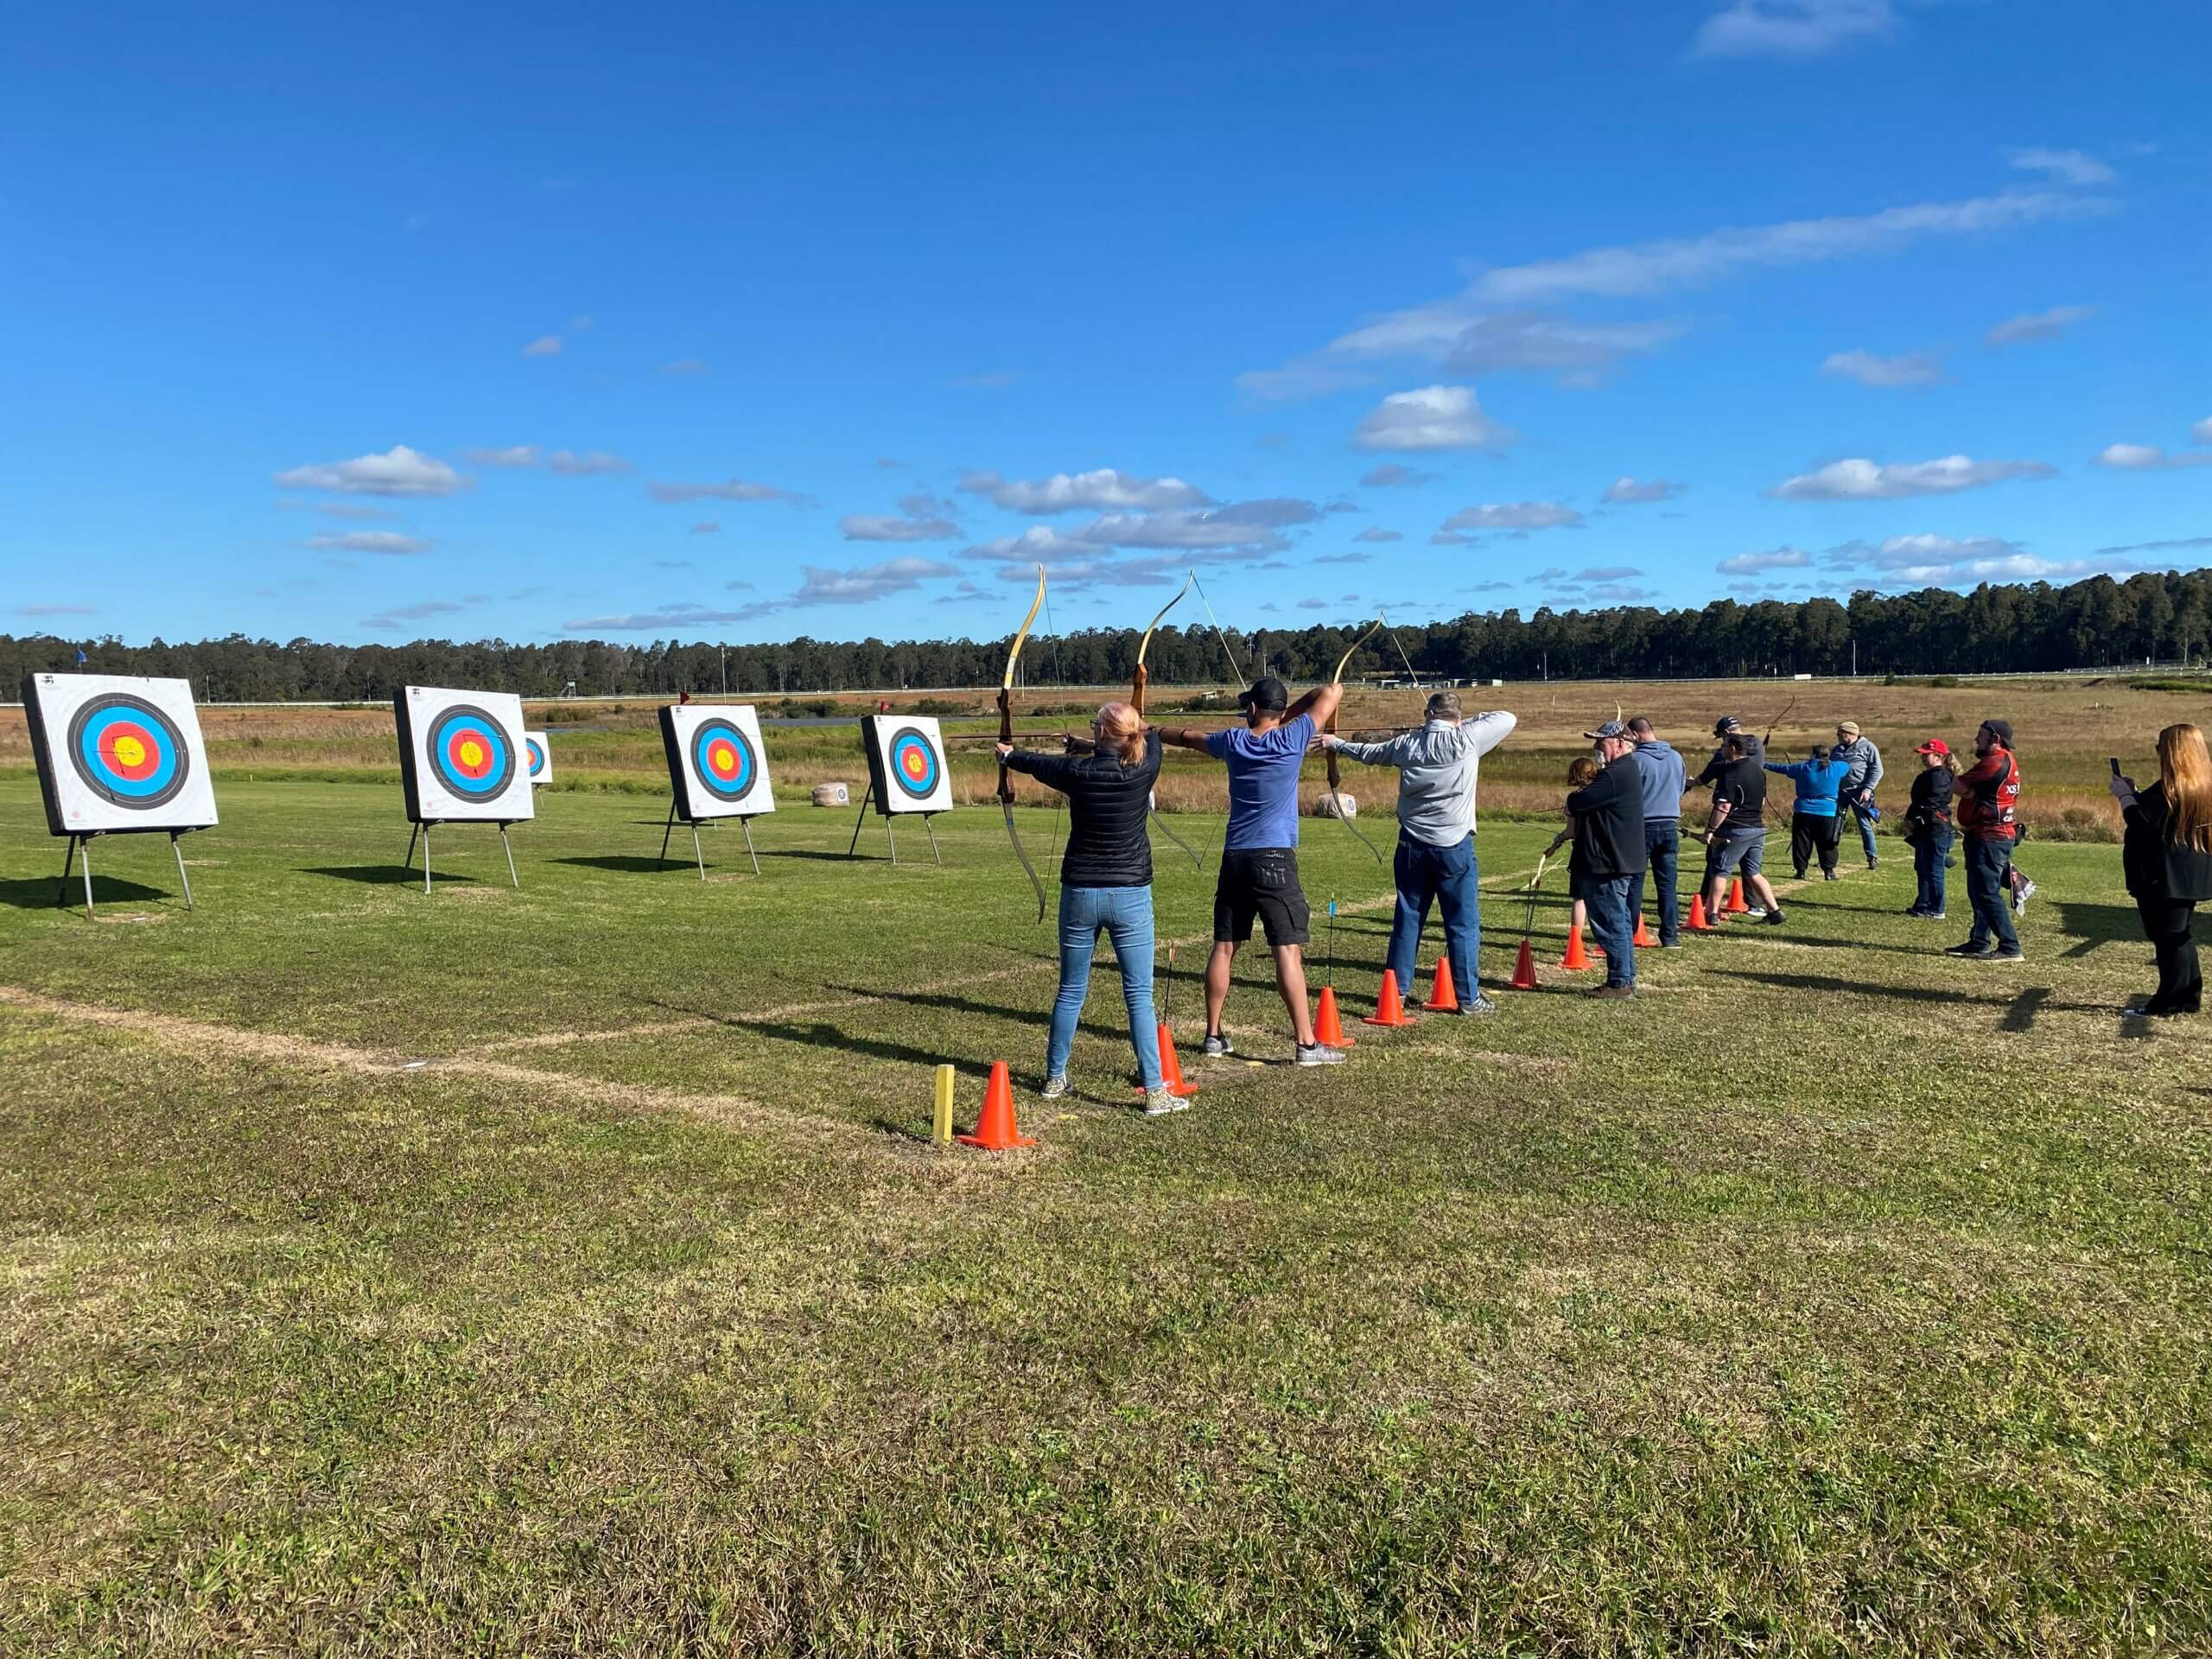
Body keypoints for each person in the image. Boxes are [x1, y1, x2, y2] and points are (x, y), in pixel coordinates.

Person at [999, 702, 1182, 1115]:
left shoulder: (1077, 773)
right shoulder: (1144, 767)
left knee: (1070, 990)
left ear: (1101, 733)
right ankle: (1154, 1091)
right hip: (1130, 895)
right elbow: (1150, 738)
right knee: (1139, 995)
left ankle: (1054, 1078)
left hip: (1080, 894)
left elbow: (1037, 764)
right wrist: (1120, 728)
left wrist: (1008, 755)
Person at [1160, 676, 1347, 1065]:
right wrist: (1289, 715)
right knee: (1287, 951)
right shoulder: (1294, 736)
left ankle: (1213, 1035)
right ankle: (1306, 1044)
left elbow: (1187, 735)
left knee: (1225, 947)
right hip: (1275, 857)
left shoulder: (1233, 741)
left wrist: (1153, 730)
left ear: (1251, 709)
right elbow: (1332, 691)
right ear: (1279, 710)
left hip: (1236, 857)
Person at [1323, 690, 1516, 1014]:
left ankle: (1395, 993)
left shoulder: (1408, 744)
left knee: (1408, 918)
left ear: (1429, 713)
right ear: (1456, 716)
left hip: (1412, 845)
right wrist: (1461, 722)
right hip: (1454, 847)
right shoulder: (1467, 738)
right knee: (1463, 923)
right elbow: (1507, 717)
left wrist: (1337, 745)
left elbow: (1370, 753)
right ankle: (1468, 998)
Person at [2112, 722, 2212, 1017]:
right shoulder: (2198, 785)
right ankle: (2187, 997)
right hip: (2188, 872)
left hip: (2164, 874)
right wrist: (2135, 793)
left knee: (2168, 938)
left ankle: (2168, 1001)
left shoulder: (2173, 787)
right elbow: (2160, 816)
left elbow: (2142, 822)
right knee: (2179, 936)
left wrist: (2124, 796)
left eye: (2161, 747)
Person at [1562, 722, 1648, 998]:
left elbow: (1578, 803)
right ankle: (1624, 978)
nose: (1596, 747)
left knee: (1611, 923)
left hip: (1607, 861)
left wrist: (1573, 798)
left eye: (1602, 742)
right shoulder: (1624, 770)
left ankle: (1620, 982)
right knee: (1619, 922)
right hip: (1617, 859)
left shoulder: (1614, 774)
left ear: (1621, 744)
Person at [1946, 718, 2023, 961]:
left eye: (1981, 735)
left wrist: (1965, 788)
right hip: (1987, 835)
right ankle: (1980, 940)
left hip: (1990, 836)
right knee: (1978, 891)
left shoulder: (1994, 762)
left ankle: (2010, 946)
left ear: (1995, 739)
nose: (1976, 739)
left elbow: (1958, 785)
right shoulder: (2005, 761)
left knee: (1987, 893)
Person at [1696, 734, 1786, 928]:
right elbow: (1762, 800)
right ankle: (1774, 911)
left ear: (1734, 749)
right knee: (1753, 872)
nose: (1722, 749)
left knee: (1720, 872)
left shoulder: (1732, 773)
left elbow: (1723, 806)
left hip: (1736, 830)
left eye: (1725, 745)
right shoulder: (1758, 772)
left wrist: (1710, 830)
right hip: (1757, 827)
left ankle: (1711, 914)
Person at [1625, 717, 1687, 947]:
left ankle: (1628, 935)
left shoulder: (1635, 760)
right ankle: (1670, 936)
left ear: (1635, 735)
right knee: (1668, 886)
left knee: (1634, 884)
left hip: (1643, 826)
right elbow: (1681, 789)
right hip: (1670, 824)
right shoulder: (1676, 757)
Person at [1766, 742, 1849, 880]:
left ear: (1813, 754)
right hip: (1827, 811)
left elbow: (1782, 768)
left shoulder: (1802, 768)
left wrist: (1764, 764)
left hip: (1803, 810)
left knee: (1801, 842)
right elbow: (1847, 765)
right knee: (1826, 842)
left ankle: (1801, 871)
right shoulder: (1836, 767)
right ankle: (1829, 872)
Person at [1901, 739, 1956, 918]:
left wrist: (1915, 817)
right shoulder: (1934, 775)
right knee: (1923, 867)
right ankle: (1923, 904)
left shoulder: (1939, 776)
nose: (1923, 758)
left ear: (1938, 756)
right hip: (1928, 828)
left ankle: (1937, 908)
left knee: (1934, 870)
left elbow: (1930, 802)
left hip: (1935, 828)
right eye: (1922, 755)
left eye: (1927, 755)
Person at [1832, 721, 1885, 869]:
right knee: (1835, 823)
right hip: (1840, 792)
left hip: (1860, 792)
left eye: (1840, 734)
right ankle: (1829, 857)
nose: (1838, 737)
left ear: (1849, 734)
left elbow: (1878, 770)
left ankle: (1872, 857)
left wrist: (1868, 789)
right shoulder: (1837, 749)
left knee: (1864, 824)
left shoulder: (1868, 747)